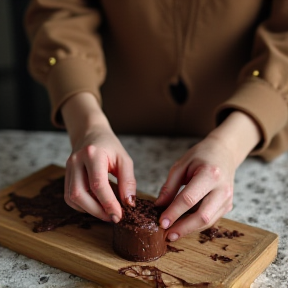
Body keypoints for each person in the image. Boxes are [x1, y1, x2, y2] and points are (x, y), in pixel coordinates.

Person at [24, 0, 288, 242]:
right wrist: (87, 126)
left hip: (248, 131)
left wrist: (230, 145)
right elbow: (59, 11)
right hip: (112, 118)